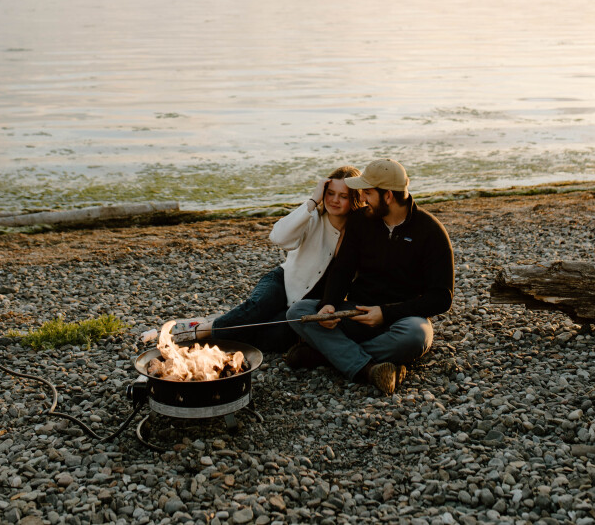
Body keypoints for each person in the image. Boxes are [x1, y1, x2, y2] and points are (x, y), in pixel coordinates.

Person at [285, 158, 454, 395]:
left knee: (417, 336)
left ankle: (329, 356)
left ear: (388, 196)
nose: (362, 198)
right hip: (357, 312)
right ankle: (367, 367)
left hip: (402, 318)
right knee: (298, 312)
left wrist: (386, 313)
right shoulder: (360, 220)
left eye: (368, 192)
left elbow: (441, 298)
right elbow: (342, 270)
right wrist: (329, 304)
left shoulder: (430, 232)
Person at [171, 166, 363, 351]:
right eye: (330, 193)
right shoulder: (311, 217)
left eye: (343, 196)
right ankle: (201, 330)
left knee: (277, 338)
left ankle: (220, 324)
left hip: (308, 304)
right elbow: (278, 237)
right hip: (282, 282)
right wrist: (313, 200)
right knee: (257, 308)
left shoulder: (359, 232)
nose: (334, 200)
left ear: (355, 198)